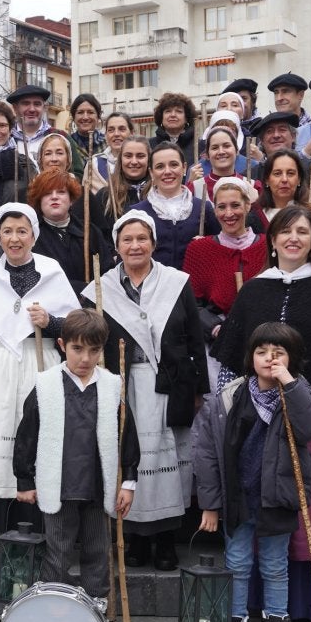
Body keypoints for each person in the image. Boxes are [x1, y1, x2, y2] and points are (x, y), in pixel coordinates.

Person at [213, 205, 311, 622]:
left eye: (302, 232)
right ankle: (254, 613)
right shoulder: (253, 290)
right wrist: (224, 409)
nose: (293, 239)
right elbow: (230, 359)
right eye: (285, 232)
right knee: (257, 507)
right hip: (255, 420)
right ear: (273, 239)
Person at [195, 321, 311, 622]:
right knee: (236, 566)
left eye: (278, 353)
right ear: (250, 356)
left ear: (291, 359)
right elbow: (206, 451)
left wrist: (289, 381)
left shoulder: (297, 393)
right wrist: (210, 503)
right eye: (262, 352)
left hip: (277, 499)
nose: (269, 359)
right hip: (239, 498)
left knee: (274, 567)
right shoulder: (229, 396)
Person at [81, 209, 208, 572]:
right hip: (121, 386)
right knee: (129, 457)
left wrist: (199, 388)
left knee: (167, 465)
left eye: (142, 239)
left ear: (153, 243)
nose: (135, 245)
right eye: (127, 239)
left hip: (169, 385)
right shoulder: (99, 290)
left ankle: (166, 541)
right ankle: (134, 538)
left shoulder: (175, 283)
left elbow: (194, 339)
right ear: (117, 246)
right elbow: (89, 340)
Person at [0, 203, 78, 555]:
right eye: (7, 231)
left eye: (22, 231)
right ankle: (0, 534)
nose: (14, 238)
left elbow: (74, 327)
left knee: (38, 440)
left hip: (39, 359)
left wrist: (51, 323)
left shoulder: (51, 272)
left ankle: (39, 532)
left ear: (34, 235)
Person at [14, 308, 139, 600]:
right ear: (62, 345)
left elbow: (127, 437)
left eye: (93, 350)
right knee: (58, 551)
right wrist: (24, 479)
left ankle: (95, 609)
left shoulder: (111, 386)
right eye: (77, 349)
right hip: (59, 485)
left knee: (97, 550)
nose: (85, 359)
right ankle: (54, 606)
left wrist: (128, 482)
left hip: (97, 485)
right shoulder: (46, 385)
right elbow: (27, 434)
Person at [183, 177, 269, 390]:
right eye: (221, 207)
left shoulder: (268, 247)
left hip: (263, 341)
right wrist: (216, 329)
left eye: (235, 205)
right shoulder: (199, 250)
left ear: (248, 206)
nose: (228, 214)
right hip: (216, 345)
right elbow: (190, 304)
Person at [133, 142, 216, 271]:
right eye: (160, 167)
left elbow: (219, 250)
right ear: (151, 172)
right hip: (152, 287)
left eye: (174, 165)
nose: (167, 171)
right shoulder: (137, 212)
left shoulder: (203, 208)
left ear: (184, 168)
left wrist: (208, 244)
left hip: (194, 287)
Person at [28, 168, 112, 291]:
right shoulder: (31, 237)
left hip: (90, 305)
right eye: (47, 193)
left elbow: (107, 271)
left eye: (61, 192)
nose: (54, 197)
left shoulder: (90, 232)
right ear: (39, 200)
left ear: (71, 199)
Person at [252, 111, 311, 212]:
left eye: (282, 130)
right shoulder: (252, 175)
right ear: (262, 140)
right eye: (269, 131)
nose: (276, 135)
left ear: (293, 136)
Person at [255, 149, 311, 238]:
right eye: (277, 173)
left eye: (290, 173)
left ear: (299, 179)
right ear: (267, 180)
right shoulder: (253, 216)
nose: (284, 179)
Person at [93, 134, 151, 238]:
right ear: (120, 159)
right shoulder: (105, 196)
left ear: (149, 159)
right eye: (128, 156)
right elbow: (98, 236)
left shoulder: (158, 192)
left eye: (140, 156)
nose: (134, 161)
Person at [6, 85, 54, 161]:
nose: (32, 109)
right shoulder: (5, 139)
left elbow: (77, 172)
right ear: (15, 108)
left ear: (44, 108)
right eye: (26, 103)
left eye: (37, 104)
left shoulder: (60, 136)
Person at [67, 94, 106, 179]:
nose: (85, 117)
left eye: (90, 112)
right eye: (80, 112)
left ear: (98, 116)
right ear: (74, 117)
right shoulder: (67, 144)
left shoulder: (107, 144)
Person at [149, 92, 196, 159]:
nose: (173, 115)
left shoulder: (199, 145)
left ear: (186, 118)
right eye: (168, 111)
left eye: (179, 111)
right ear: (161, 117)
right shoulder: (149, 145)